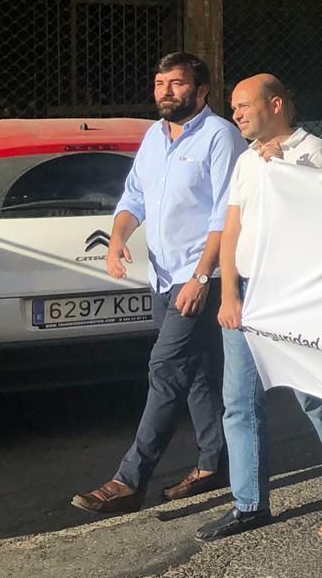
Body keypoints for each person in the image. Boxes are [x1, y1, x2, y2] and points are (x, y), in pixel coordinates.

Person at [71, 53, 245, 517]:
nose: (165, 91)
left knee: (165, 371)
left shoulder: (220, 136)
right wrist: (117, 239)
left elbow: (226, 217)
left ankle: (130, 479)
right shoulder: (153, 137)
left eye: (176, 83)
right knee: (199, 377)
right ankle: (215, 463)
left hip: (198, 277)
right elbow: (134, 196)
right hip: (163, 278)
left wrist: (202, 276)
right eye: (159, 82)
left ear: (201, 91)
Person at [198, 75, 322, 542]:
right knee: (238, 401)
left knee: (307, 392)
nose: (237, 114)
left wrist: (287, 170)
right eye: (233, 107)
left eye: (244, 105)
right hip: (247, 291)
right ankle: (249, 504)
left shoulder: (313, 153)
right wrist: (228, 292)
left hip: (290, 293)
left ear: (275, 104)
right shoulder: (246, 160)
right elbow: (233, 228)